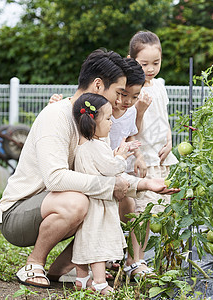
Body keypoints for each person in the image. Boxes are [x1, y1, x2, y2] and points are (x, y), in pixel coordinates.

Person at [0, 49, 176, 289]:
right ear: (99, 85)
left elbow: (103, 169)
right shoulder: (56, 116)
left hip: (55, 202)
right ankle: (33, 263)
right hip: (18, 212)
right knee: (80, 202)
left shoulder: (94, 122)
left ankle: (62, 270)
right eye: (118, 92)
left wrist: (143, 185)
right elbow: (55, 179)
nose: (120, 100)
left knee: (125, 204)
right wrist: (111, 186)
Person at [71, 92, 168, 294]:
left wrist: (116, 154)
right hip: (100, 206)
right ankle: (99, 282)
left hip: (93, 203)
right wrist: (122, 156)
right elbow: (112, 169)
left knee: (85, 242)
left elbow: (103, 165)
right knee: (98, 244)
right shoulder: (95, 146)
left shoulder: (87, 145)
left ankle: (82, 279)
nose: (111, 123)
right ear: (92, 122)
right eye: (107, 119)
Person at [123, 31, 179, 278]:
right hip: (142, 160)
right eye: (144, 64)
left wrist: (170, 140)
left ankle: (134, 259)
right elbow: (130, 129)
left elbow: (164, 119)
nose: (150, 69)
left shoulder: (159, 86)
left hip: (160, 158)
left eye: (155, 63)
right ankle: (137, 261)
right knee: (140, 213)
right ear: (131, 59)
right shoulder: (130, 90)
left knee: (155, 211)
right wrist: (138, 157)